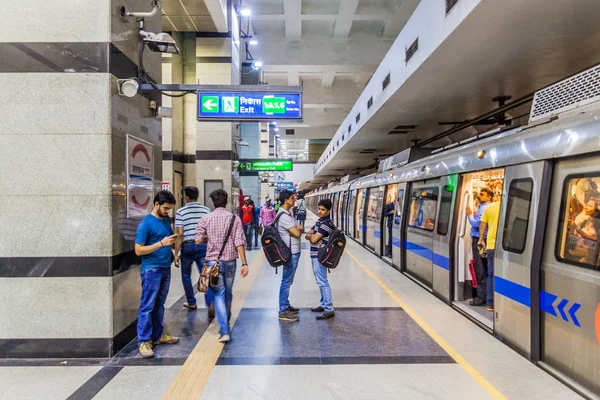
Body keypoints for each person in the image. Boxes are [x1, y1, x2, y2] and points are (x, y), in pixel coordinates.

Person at [195, 189, 249, 342]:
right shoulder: (234, 219)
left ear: (212, 203)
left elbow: (197, 240)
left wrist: (208, 237)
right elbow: (239, 242)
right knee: (228, 291)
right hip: (231, 262)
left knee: (218, 294)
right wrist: (245, 263)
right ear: (227, 202)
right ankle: (227, 318)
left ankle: (224, 330)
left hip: (213, 263)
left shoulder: (206, 218)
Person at [134, 190, 180, 358]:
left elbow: (167, 240)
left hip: (165, 267)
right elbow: (138, 250)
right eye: (166, 208)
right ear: (156, 204)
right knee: (147, 306)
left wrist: (174, 254)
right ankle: (144, 341)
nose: (168, 211)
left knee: (160, 304)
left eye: (170, 208)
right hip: (151, 269)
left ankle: (157, 335)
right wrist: (161, 243)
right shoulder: (146, 224)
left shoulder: (166, 220)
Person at [174, 186, 212, 314]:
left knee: (186, 275)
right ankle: (210, 302)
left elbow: (180, 235)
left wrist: (176, 253)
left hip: (188, 246)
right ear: (197, 195)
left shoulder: (181, 212)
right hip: (203, 245)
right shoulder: (206, 210)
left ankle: (191, 302)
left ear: (187, 197)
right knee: (205, 274)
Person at [276, 190, 304, 322]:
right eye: (293, 198)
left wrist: (297, 228)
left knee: (288, 281)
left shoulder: (288, 214)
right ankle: (283, 310)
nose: (295, 200)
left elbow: (296, 230)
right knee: (286, 281)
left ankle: (285, 305)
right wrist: (299, 229)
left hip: (292, 251)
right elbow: (297, 233)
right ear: (286, 200)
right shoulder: (284, 216)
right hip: (291, 252)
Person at [305, 198, 335, 320]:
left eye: (323, 210)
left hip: (320, 255)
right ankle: (323, 304)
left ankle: (328, 308)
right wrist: (312, 235)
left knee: (322, 282)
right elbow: (308, 235)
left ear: (328, 210)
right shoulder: (319, 221)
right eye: (319, 209)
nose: (320, 211)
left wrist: (312, 236)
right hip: (315, 254)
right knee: (320, 280)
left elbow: (312, 239)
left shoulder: (326, 224)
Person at [466, 187, 493, 306]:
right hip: (485, 240)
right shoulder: (484, 207)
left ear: (489, 197)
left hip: (480, 241)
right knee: (486, 269)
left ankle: (481, 297)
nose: (479, 196)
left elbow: (476, 224)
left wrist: (469, 215)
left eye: (482, 194)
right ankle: (487, 296)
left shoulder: (485, 208)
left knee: (480, 269)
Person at [479, 197, 501, 312]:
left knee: (491, 274)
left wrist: (481, 240)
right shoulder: (514, 206)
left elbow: (482, 225)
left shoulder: (490, 207)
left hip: (492, 245)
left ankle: (490, 303)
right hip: (507, 247)